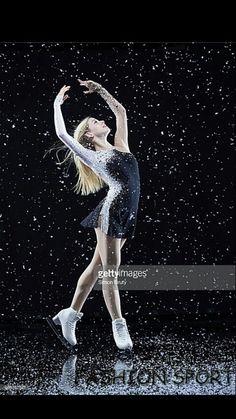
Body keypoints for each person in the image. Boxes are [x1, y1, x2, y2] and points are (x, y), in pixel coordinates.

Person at [46, 80, 140, 351]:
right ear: (88, 135)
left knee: (97, 267)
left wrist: (100, 91)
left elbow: (120, 111)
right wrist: (56, 105)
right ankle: (119, 326)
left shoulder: (120, 144)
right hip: (110, 213)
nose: (102, 120)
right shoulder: (91, 156)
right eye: (95, 122)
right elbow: (63, 135)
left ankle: (69, 314)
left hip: (127, 214)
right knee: (111, 272)